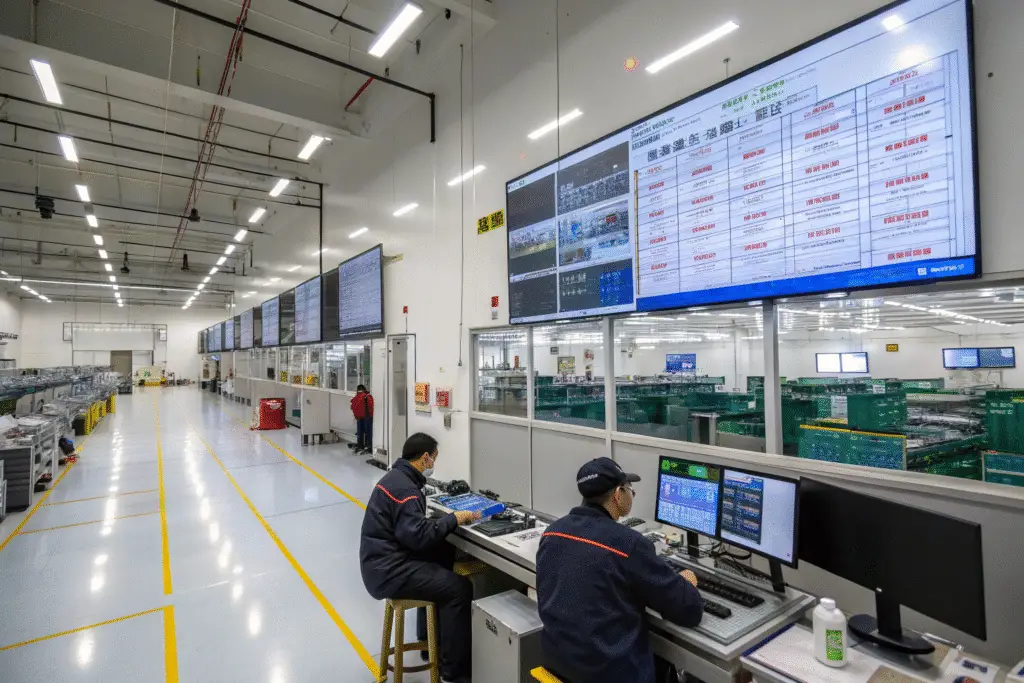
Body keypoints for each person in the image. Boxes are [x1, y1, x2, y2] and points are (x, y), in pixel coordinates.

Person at [536, 457, 704, 683]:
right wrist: (686, 582)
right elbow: (688, 611)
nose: (631, 495)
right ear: (618, 494)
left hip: (559, 667)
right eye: (630, 489)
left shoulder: (552, 533)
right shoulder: (629, 545)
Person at [359, 433, 480, 683]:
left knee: (441, 554)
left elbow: (411, 531)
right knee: (459, 589)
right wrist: (454, 518)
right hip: (389, 572)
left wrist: (440, 523)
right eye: (434, 458)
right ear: (425, 458)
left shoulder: (397, 478)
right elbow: (418, 538)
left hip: (380, 564)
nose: (433, 463)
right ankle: (454, 672)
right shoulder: (406, 490)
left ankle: (429, 643)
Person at [350, 384, 374, 454]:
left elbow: (352, 407)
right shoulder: (367, 396)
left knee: (360, 432)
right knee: (368, 432)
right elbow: (371, 406)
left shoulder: (356, 396)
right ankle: (368, 446)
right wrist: (371, 415)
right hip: (367, 416)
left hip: (358, 417)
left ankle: (360, 445)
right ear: (364, 389)